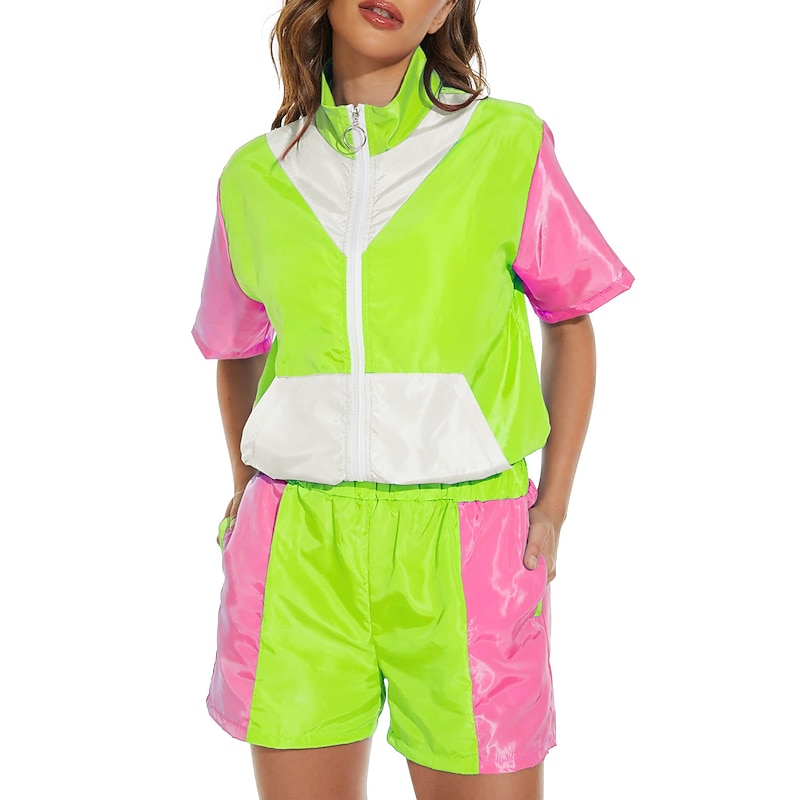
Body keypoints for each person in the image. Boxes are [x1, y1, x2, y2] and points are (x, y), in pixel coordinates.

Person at [191, 1, 634, 798]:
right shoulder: (254, 176)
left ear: (443, 14)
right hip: (299, 556)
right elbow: (235, 347)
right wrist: (245, 487)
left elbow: (571, 319)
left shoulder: (504, 145)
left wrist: (554, 508)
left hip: (468, 550)